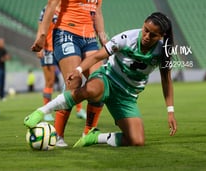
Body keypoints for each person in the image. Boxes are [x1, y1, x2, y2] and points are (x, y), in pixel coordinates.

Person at [25, 12, 178, 147]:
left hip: (127, 96)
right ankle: (40, 112)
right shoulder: (127, 38)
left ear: (161, 36)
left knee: (136, 141)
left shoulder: (162, 51)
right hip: (108, 79)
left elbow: (166, 80)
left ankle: (95, 137)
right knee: (90, 90)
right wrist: (78, 70)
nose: (146, 36)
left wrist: (170, 111)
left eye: (153, 35)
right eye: (146, 30)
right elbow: (98, 56)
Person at [30, 0, 108, 147]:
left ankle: (88, 134)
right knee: (73, 82)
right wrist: (41, 35)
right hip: (66, 34)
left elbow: (97, 11)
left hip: (90, 38)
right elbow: (51, 4)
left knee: (99, 85)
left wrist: (103, 37)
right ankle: (58, 136)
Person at [37, 0, 86, 122]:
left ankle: (79, 109)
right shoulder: (46, 10)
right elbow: (41, 28)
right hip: (48, 49)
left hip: (63, 48)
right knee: (50, 81)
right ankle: (47, 111)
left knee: (72, 80)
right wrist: (40, 47)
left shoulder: (67, 9)